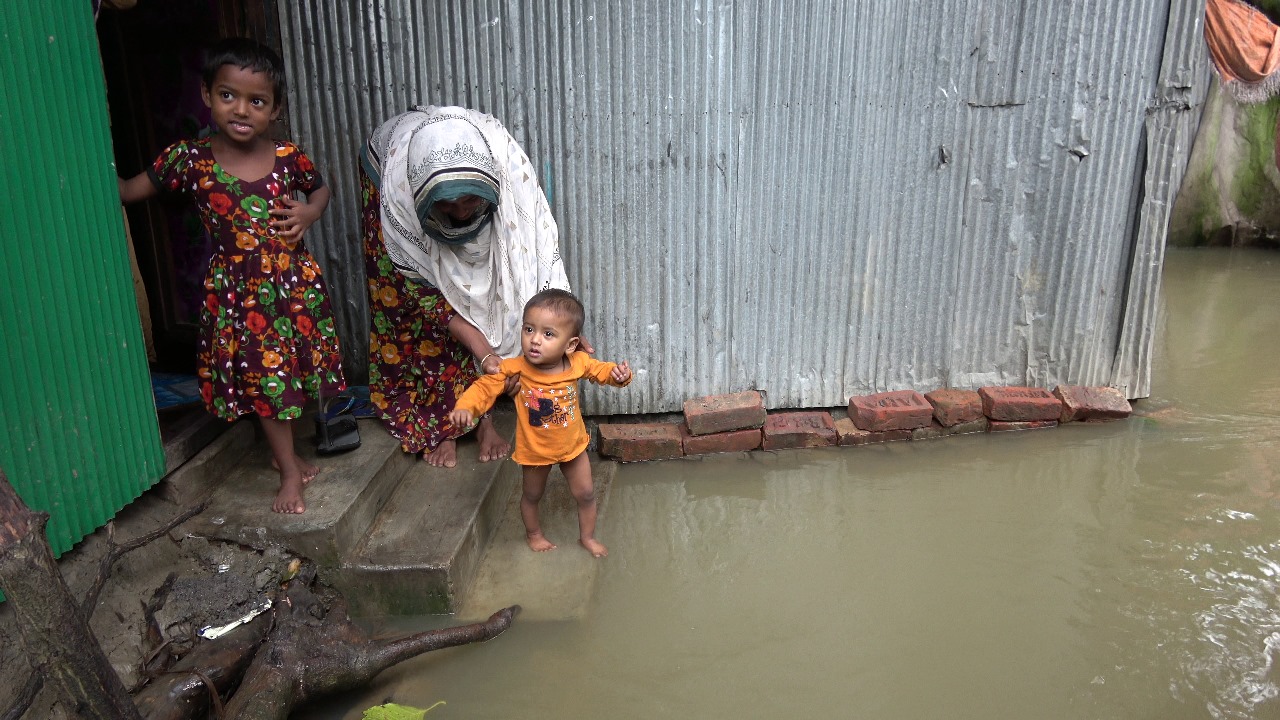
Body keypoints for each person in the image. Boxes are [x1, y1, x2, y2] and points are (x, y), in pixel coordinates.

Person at [119, 38, 344, 514]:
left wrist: (308, 213)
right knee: (266, 379)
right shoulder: (189, 159)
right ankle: (286, 469)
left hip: (293, 288)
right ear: (206, 94)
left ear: (275, 108)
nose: (241, 110)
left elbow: (321, 189)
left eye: (257, 101)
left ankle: (289, 453)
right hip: (240, 296)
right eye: (228, 95)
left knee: (294, 374)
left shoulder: (287, 155)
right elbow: (129, 190)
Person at [360, 105, 584, 467]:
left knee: (488, 295)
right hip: (386, 174)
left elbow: (539, 255)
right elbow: (434, 301)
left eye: (470, 199)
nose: (463, 212)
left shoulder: (511, 180)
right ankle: (445, 424)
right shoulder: (401, 201)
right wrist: (485, 353)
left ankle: (483, 422)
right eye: (450, 204)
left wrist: (565, 328)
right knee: (413, 313)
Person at [448, 290, 630, 557]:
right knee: (532, 496)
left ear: (570, 345)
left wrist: (620, 375)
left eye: (548, 334)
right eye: (529, 329)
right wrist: (465, 406)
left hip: (573, 447)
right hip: (535, 452)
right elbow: (485, 387)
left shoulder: (577, 362)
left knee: (587, 494)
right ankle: (534, 534)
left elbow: (601, 371)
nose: (534, 340)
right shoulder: (514, 368)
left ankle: (587, 538)